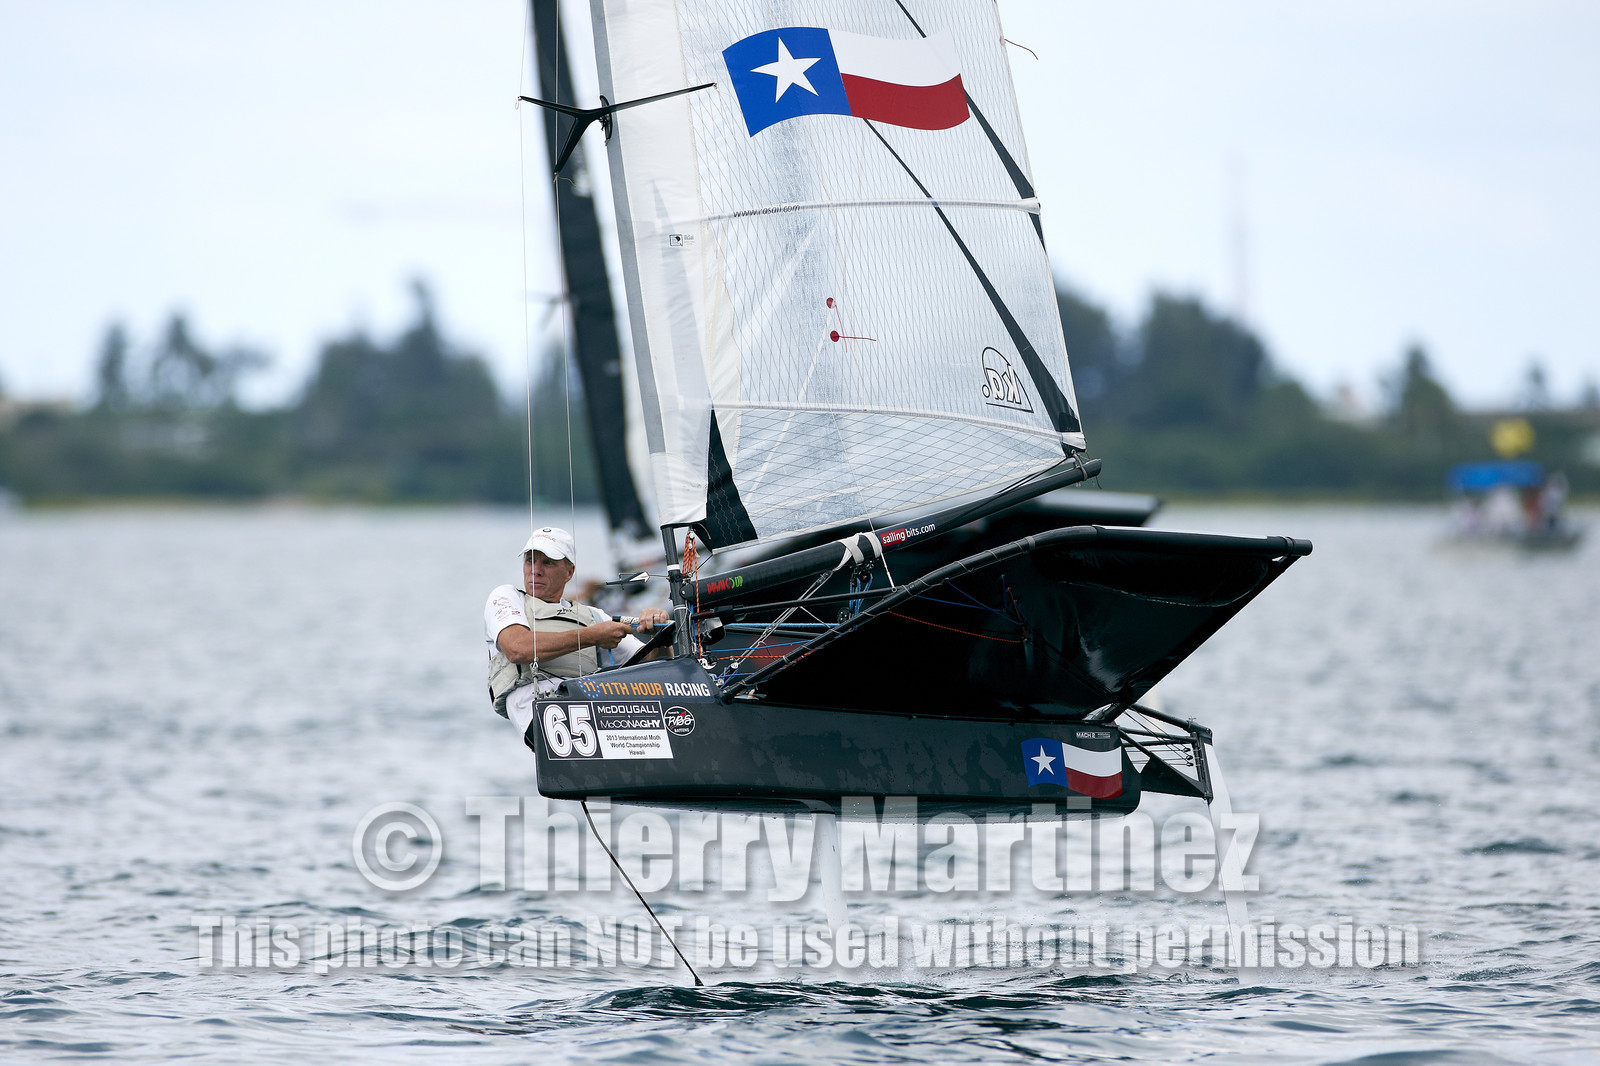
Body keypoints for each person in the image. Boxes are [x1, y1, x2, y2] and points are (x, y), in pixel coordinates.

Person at [485, 526, 669, 730]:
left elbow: (658, 669)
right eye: (530, 560)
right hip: (541, 714)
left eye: (547, 562)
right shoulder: (507, 597)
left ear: (569, 572)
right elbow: (518, 648)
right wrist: (593, 636)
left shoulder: (594, 616)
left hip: (590, 713)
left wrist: (659, 635)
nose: (536, 570)